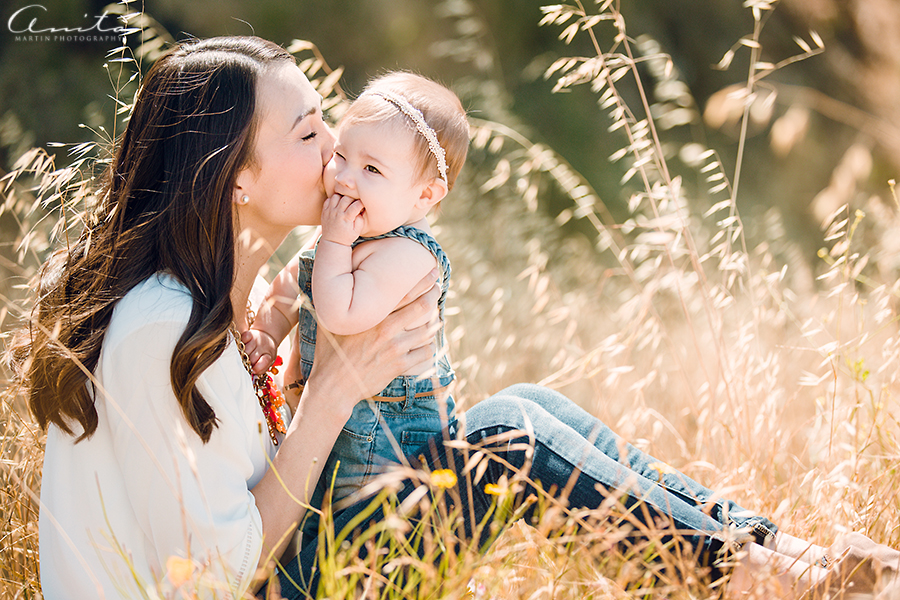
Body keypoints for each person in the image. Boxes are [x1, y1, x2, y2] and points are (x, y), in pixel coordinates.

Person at [7, 35, 897, 600]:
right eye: (312, 133)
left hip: (312, 560)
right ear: (238, 176)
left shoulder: (205, 304)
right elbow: (221, 576)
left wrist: (285, 351)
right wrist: (340, 390)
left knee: (523, 409)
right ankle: (768, 574)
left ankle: (781, 558)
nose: (339, 157)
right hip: (293, 581)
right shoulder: (157, 326)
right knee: (512, 437)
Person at [241, 71, 468, 513]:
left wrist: (336, 242)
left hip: (393, 440)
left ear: (424, 195)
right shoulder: (346, 230)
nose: (343, 177)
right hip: (343, 425)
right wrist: (268, 332)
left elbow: (340, 314)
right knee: (318, 515)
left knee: (357, 523)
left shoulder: (407, 255)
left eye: (371, 169)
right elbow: (294, 282)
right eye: (341, 155)